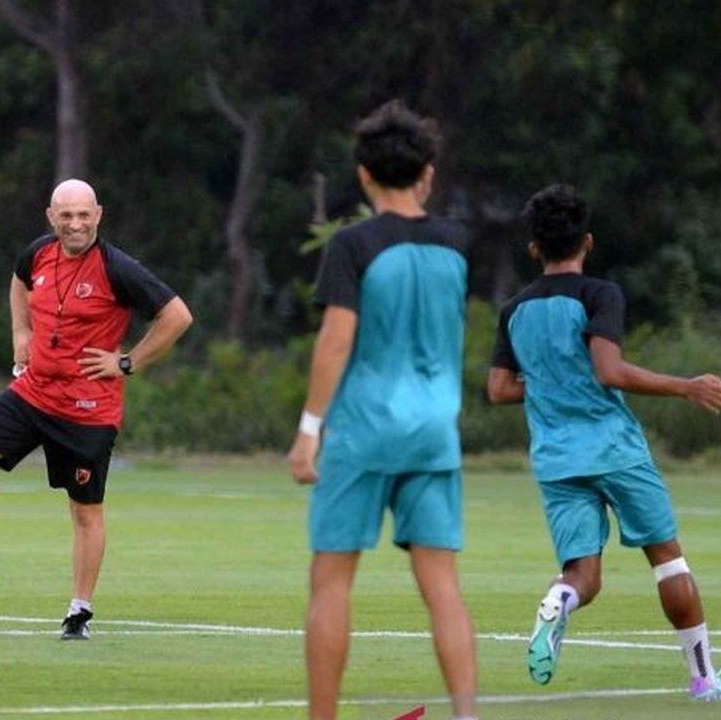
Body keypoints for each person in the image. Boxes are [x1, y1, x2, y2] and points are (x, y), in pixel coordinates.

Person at [0, 178, 193, 640]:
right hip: (33, 392)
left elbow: (178, 316)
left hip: (87, 409)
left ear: (98, 215)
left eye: (84, 215)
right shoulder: (38, 253)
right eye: (66, 215)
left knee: (85, 512)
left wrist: (126, 362)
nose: (75, 224)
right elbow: (19, 282)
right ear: (51, 217)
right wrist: (20, 333)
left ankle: (79, 611)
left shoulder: (118, 268)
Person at [487, 183, 721, 700]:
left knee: (582, 573)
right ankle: (704, 678)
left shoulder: (514, 310)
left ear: (534, 250)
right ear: (587, 243)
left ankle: (560, 602)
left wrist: (552, 380)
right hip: (613, 448)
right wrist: (685, 386)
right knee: (668, 560)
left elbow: (499, 388)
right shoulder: (599, 294)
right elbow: (609, 370)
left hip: (555, 457)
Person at [287, 100, 478, 720]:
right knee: (442, 587)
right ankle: (467, 713)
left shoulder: (353, 245)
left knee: (332, 579)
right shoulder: (456, 244)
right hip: (434, 432)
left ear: (364, 175)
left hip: (365, 429)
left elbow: (337, 339)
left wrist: (309, 428)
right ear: (426, 173)